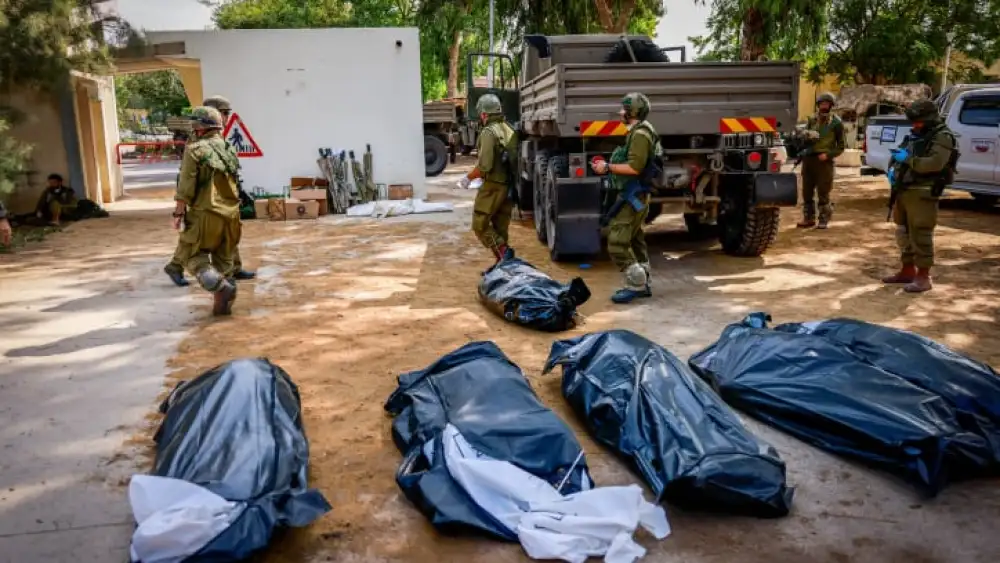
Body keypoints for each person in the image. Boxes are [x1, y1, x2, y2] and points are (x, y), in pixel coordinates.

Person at [164, 95, 255, 287]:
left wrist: (179, 212)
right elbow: (187, 180)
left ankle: (222, 276)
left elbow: (190, 184)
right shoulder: (207, 144)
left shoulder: (210, 143)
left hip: (216, 208)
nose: (227, 118)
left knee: (202, 246)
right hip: (217, 207)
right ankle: (181, 267)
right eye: (224, 114)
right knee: (201, 243)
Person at [881, 99, 957, 293]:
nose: (915, 125)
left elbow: (934, 163)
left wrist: (908, 160)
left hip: (923, 191)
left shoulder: (942, 136)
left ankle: (923, 276)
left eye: (919, 121)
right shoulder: (916, 134)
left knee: (920, 233)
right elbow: (903, 152)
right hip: (904, 189)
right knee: (903, 232)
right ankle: (907, 270)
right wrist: (894, 167)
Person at [590, 92, 659, 304]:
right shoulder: (640, 131)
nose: (620, 112)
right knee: (635, 238)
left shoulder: (640, 135)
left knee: (617, 241)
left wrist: (607, 167)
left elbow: (634, 167)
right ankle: (643, 279)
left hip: (633, 194)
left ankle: (636, 284)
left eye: (624, 109)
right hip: (635, 194)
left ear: (632, 112)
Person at [173, 106, 241, 315]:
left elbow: (186, 185)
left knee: (192, 256)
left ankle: (220, 288)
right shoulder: (229, 147)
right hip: (231, 214)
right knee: (224, 261)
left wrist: (178, 213)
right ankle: (223, 304)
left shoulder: (195, 149)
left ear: (199, 127)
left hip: (205, 213)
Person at [460, 93, 517, 267]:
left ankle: (504, 253)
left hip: (493, 186)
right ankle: (503, 265)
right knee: (500, 227)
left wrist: (468, 178)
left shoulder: (488, 132)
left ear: (484, 114)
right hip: (508, 186)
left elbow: (484, 166)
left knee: (480, 224)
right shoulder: (508, 128)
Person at [797, 92, 846, 229]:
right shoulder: (811, 120)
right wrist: (805, 137)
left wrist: (828, 155)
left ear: (831, 105)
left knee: (823, 192)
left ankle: (823, 219)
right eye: (822, 104)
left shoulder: (836, 123)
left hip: (824, 162)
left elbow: (841, 146)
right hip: (809, 160)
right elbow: (803, 139)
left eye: (827, 104)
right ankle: (808, 218)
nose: (824, 106)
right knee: (807, 191)